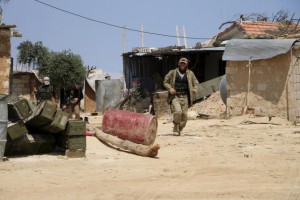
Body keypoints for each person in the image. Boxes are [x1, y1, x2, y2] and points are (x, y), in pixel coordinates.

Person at [163, 57, 199, 136]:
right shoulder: (172, 72)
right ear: (179, 64)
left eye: (184, 64)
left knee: (184, 115)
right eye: (181, 63)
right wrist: (170, 88)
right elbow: (165, 82)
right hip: (175, 96)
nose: (182, 65)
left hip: (185, 96)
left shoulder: (190, 73)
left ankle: (181, 128)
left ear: (186, 65)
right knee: (178, 111)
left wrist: (195, 89)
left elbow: (196, 83)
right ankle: (176, 126)